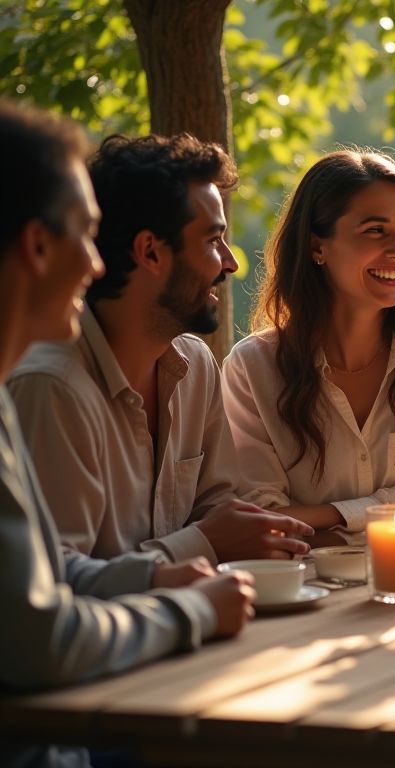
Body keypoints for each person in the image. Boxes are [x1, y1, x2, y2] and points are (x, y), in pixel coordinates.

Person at [0, 99, 255, 768]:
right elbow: (41, 635)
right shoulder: (45, 387)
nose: (94, 264)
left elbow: (50, 576)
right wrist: (191, 607)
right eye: (85, 235)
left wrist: (162, 573)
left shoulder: (194, 363)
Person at [9, 132, 314, 564]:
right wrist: (200, 547)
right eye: (212, 241)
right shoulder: (52, 387)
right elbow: (54, 577)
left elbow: (217, 508)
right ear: (150, 252)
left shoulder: (196, 364)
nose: (230, 262)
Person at [221, 149, 395, 543]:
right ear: (317, 246)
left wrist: (329, 523)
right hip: (298, 579)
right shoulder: (252, 367)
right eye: (375, 230)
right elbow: (259, 513)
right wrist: (372, 520)